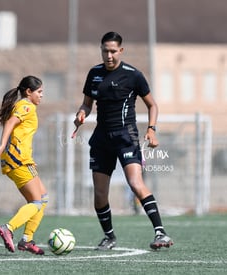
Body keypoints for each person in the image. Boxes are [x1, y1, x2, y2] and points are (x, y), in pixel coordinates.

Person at [73, 32, 173, 250]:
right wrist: (82, 113)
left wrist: (152, 130)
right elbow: (87, 104)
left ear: (121, 50)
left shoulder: (133, 75)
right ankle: (109, 237)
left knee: (135, 183)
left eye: (112, 51)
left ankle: (161, 233)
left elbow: (152, 105)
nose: (108, 55)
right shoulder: (94, 73)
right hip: (101, 139)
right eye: (104, 51)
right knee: (99, 193)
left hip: (126, 137)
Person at [0, 75, 48, 255]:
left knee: (43, 198)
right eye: (39, 92)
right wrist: (1, 146)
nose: (42, 95)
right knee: (36, 202)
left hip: (21, 159)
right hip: (18, 160)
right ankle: (8, 228)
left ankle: (26, 240)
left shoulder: (25, 106)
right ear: (28, 92)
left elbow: (19, 132)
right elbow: (10, 123)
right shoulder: (26, 105)